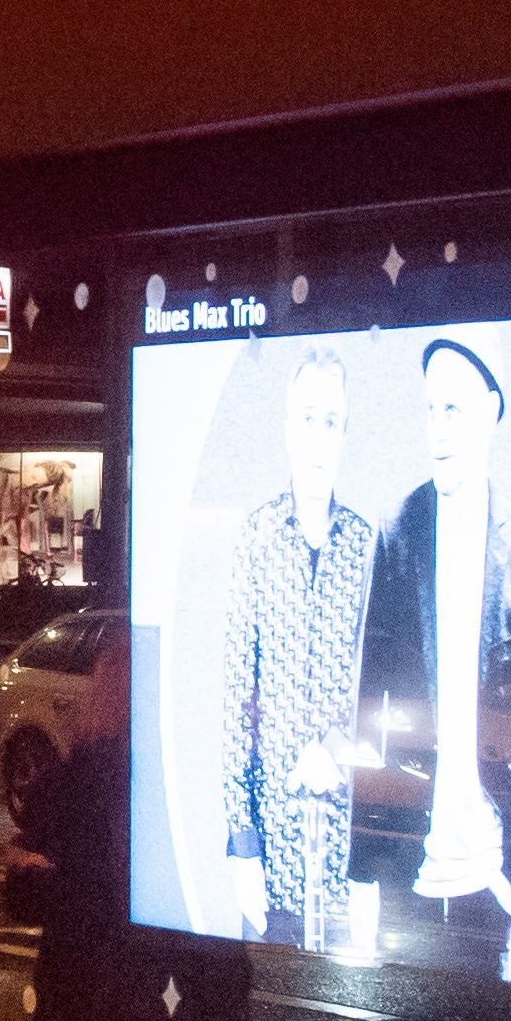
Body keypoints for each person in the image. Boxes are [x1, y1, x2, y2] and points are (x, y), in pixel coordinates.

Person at [356, 337, 511, 972]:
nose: (436, 428)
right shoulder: (399, 527)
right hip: (407, 868)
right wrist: (369, 855)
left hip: (487, 880)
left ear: (491, 411)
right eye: (429, 410)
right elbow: (371, 694)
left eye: (454, 410)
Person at [213, 350, 378, 950]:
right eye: (306, 419)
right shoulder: (257, 538)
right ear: (287, 427)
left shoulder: (365, 547)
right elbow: (238, 695)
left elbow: (377, 687)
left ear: (345, 434)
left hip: (344, 854)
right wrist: (243, 844)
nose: (317, 437)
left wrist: (335, 745)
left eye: (330, 421)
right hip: (272, 849)